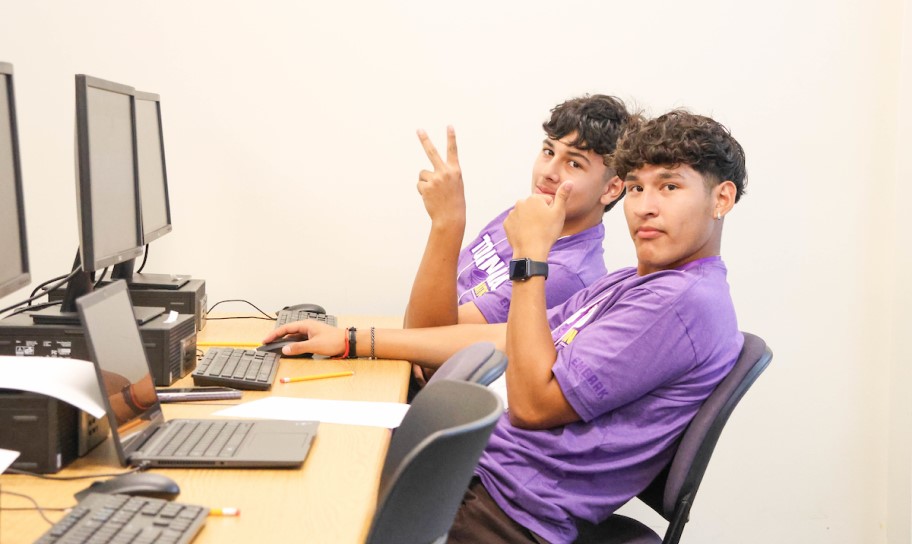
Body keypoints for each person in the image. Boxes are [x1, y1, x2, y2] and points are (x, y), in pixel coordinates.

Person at [264, 110, 748, 543]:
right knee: (293, 451)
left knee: (289, 508)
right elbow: (505, 337)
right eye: (639, 187)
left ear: (721, 198)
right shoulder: (636, 283)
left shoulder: (681, 302)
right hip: (478, 469)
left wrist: (531, 260)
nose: (644, 205)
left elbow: (535, 405)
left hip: (507, 511)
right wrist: (352, 341)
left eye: (669, 186)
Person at [404, 94, 633, 330]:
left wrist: (448, 221)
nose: (548, 172)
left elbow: (425, 335)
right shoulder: (529, 214)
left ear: (612, 188)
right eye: (548, 152)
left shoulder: (567, 275)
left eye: (574, 163)